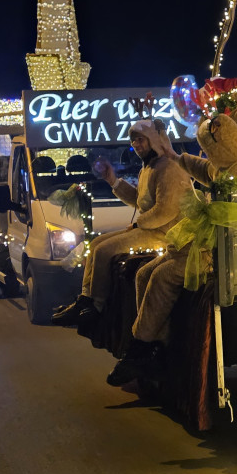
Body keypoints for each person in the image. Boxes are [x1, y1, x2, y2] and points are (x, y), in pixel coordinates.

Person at [106, 98, 237, 386]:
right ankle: (153, 345)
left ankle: (142, 348)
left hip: (223, 255)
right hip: (207, 243)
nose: (206, 153)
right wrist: (176, 156)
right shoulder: (227, 165)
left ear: (219, 146)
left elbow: (235, 220)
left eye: (208, 148)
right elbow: (205, 170)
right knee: (143, 273)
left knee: (163, 276)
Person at [51, 119, 191, 327]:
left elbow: (165, 211)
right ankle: (85, 300)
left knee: (105, 250)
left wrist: (137, 225)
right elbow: (139, 200)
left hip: (165, 233)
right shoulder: (149, 168)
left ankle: (96, 308)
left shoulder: (169, 168)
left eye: (140, 140)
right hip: (150, 229)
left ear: (153, 139)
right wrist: (113, 181)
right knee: (97, 245)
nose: (136, 145)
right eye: (133, 141)